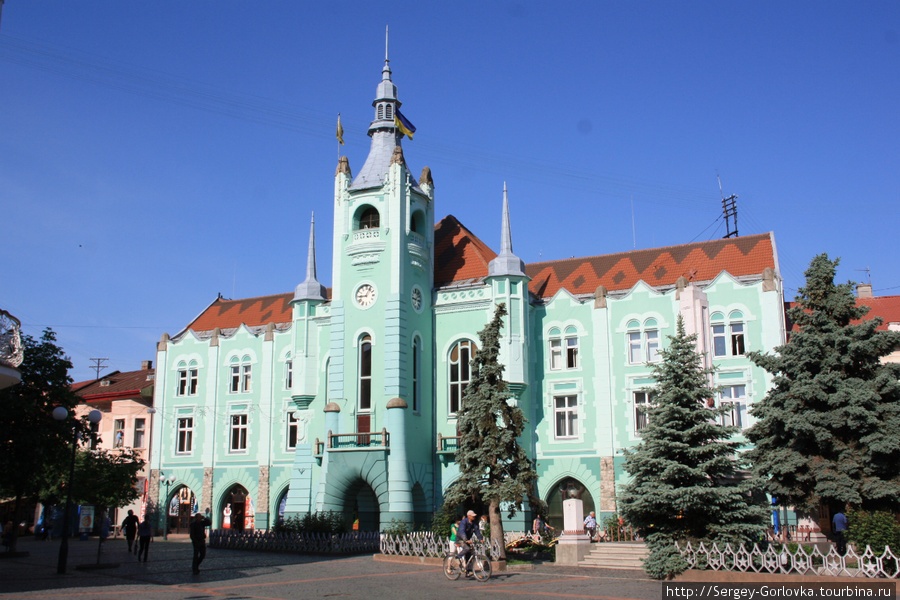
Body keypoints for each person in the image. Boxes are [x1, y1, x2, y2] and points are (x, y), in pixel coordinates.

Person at [455, 510, 483, 576]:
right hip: (460, 539)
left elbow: (477, 531)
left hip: (467, 539)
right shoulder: (463, 522)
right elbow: (462, 532)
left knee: (470, 553)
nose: (474, 517)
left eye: (474, 516)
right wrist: (465, 539)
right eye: (472, 516)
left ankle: (468, 570)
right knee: (467, 548)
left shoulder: (474, 523)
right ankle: (457, 557)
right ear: (468, 516)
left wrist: (480, 539)